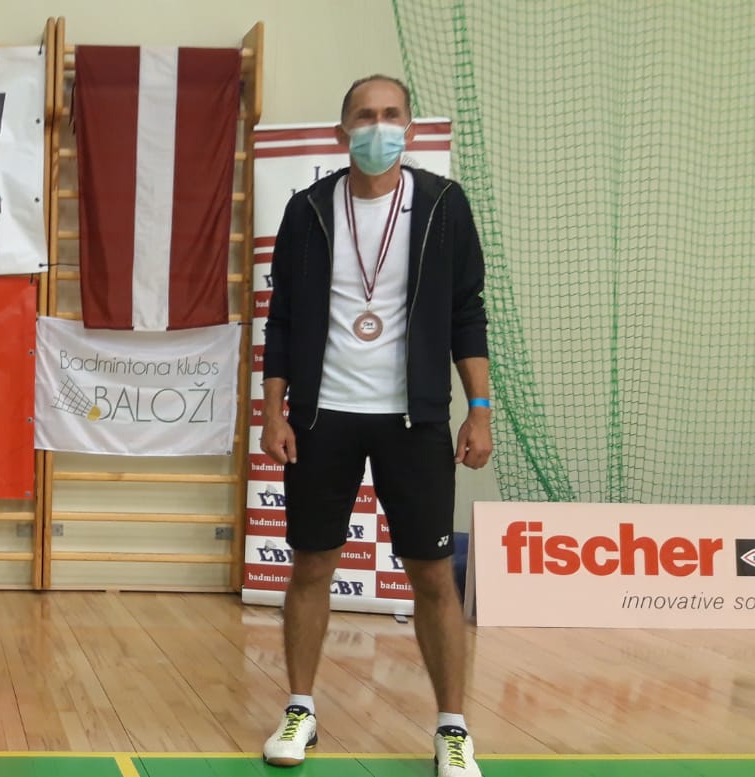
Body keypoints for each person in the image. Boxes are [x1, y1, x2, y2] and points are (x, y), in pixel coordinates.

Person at [259, 74, 491, 777]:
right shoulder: (307, 209)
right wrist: (273, 410)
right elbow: (282, 319)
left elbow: (466, 313)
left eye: (391, 115)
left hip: (413, 419)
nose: (378, 126)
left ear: (409, 129)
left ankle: (452, 728)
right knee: (311, 566)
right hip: (322, 416)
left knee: (432, 577)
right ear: (342, 132)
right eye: (364, 116)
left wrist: (479, 409)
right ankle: (300, 709)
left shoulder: (443, 204)